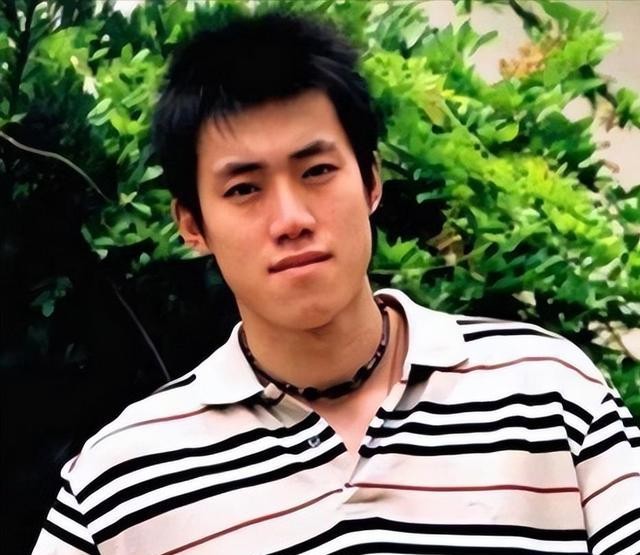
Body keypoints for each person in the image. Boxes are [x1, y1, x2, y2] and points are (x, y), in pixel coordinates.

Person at [33, 11, 639, 555]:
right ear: (193, 224)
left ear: (371, 182)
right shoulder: (124, 483)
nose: (291, 219)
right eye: (244, 189)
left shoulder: (549, 390)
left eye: (318, 170)